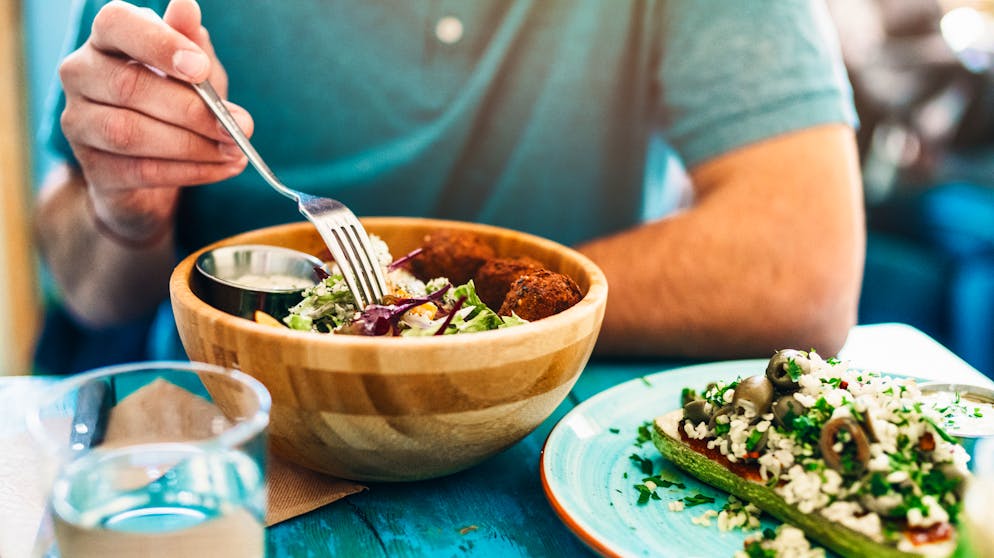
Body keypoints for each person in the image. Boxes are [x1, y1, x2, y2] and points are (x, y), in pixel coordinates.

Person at [34, 0, 866, 363]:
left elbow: (804, 267)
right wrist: (127, 213)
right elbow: (86, 288)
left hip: (554, 433)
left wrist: (464, 327)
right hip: (227, 439)